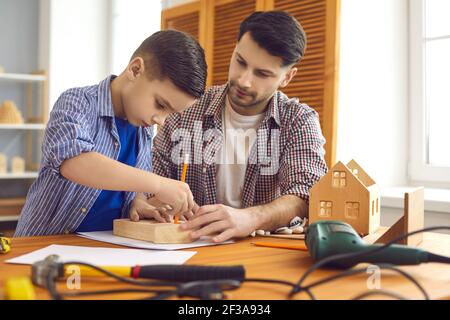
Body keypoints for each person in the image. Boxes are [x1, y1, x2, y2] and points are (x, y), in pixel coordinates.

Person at [131, 11, 328, 243]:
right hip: (187, 246)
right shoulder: (185, 107)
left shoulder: (299, 121)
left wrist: (251, 218)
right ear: (234, 49)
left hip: (262, 253)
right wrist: (147, 200)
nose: (244, 80)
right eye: (240, 61)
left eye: (262, 73)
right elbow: (150, 180)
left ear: (287, 77)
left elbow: (306, 196)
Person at [15, 30, 207, 236]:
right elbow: (74, 162)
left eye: (170, 113)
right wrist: (159, 183)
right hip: (42, 248)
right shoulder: (77, 102)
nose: (160, 120)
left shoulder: (143, 130)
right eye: (160, 104)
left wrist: (139, 203)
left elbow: (130, 190)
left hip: (102, 251)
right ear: (135, 70)